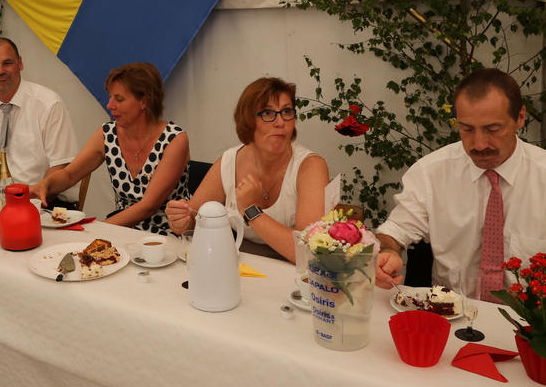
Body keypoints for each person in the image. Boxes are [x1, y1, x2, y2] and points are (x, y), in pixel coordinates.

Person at [375, 68, 546, 320]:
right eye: (467, 129)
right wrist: (387, 251)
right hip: (449, 316)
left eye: (493, 129)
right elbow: (396, 230)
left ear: (520, 117)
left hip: (530, 323)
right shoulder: (431, 172)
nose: (479, 144)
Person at [165, 77, 329, 261]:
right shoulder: (229, 161)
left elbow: (309, 252)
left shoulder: (311, 167)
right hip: (241, 263)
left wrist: (251, 211)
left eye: (286, 111)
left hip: (293, 270)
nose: (280, 122)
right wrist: (179, 219)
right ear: (248, 120)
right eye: (268, 113)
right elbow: (193, 221)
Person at [30, 62, 189, 234]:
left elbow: (148, 207)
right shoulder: (107, 134)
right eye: (110, 97)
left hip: (167, 232)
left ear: (144, 101)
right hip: (121, 230)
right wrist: (45, 184)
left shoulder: (174, 139)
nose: (109, 105)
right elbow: (69, 175)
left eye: (119, 99)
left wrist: (95, 230)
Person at [0, 38, 79, 202]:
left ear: (20, 63)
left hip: (44, 203)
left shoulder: (49, 105)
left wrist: (27, 199)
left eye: (7, 63)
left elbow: (62, 166)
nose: (0, 71)